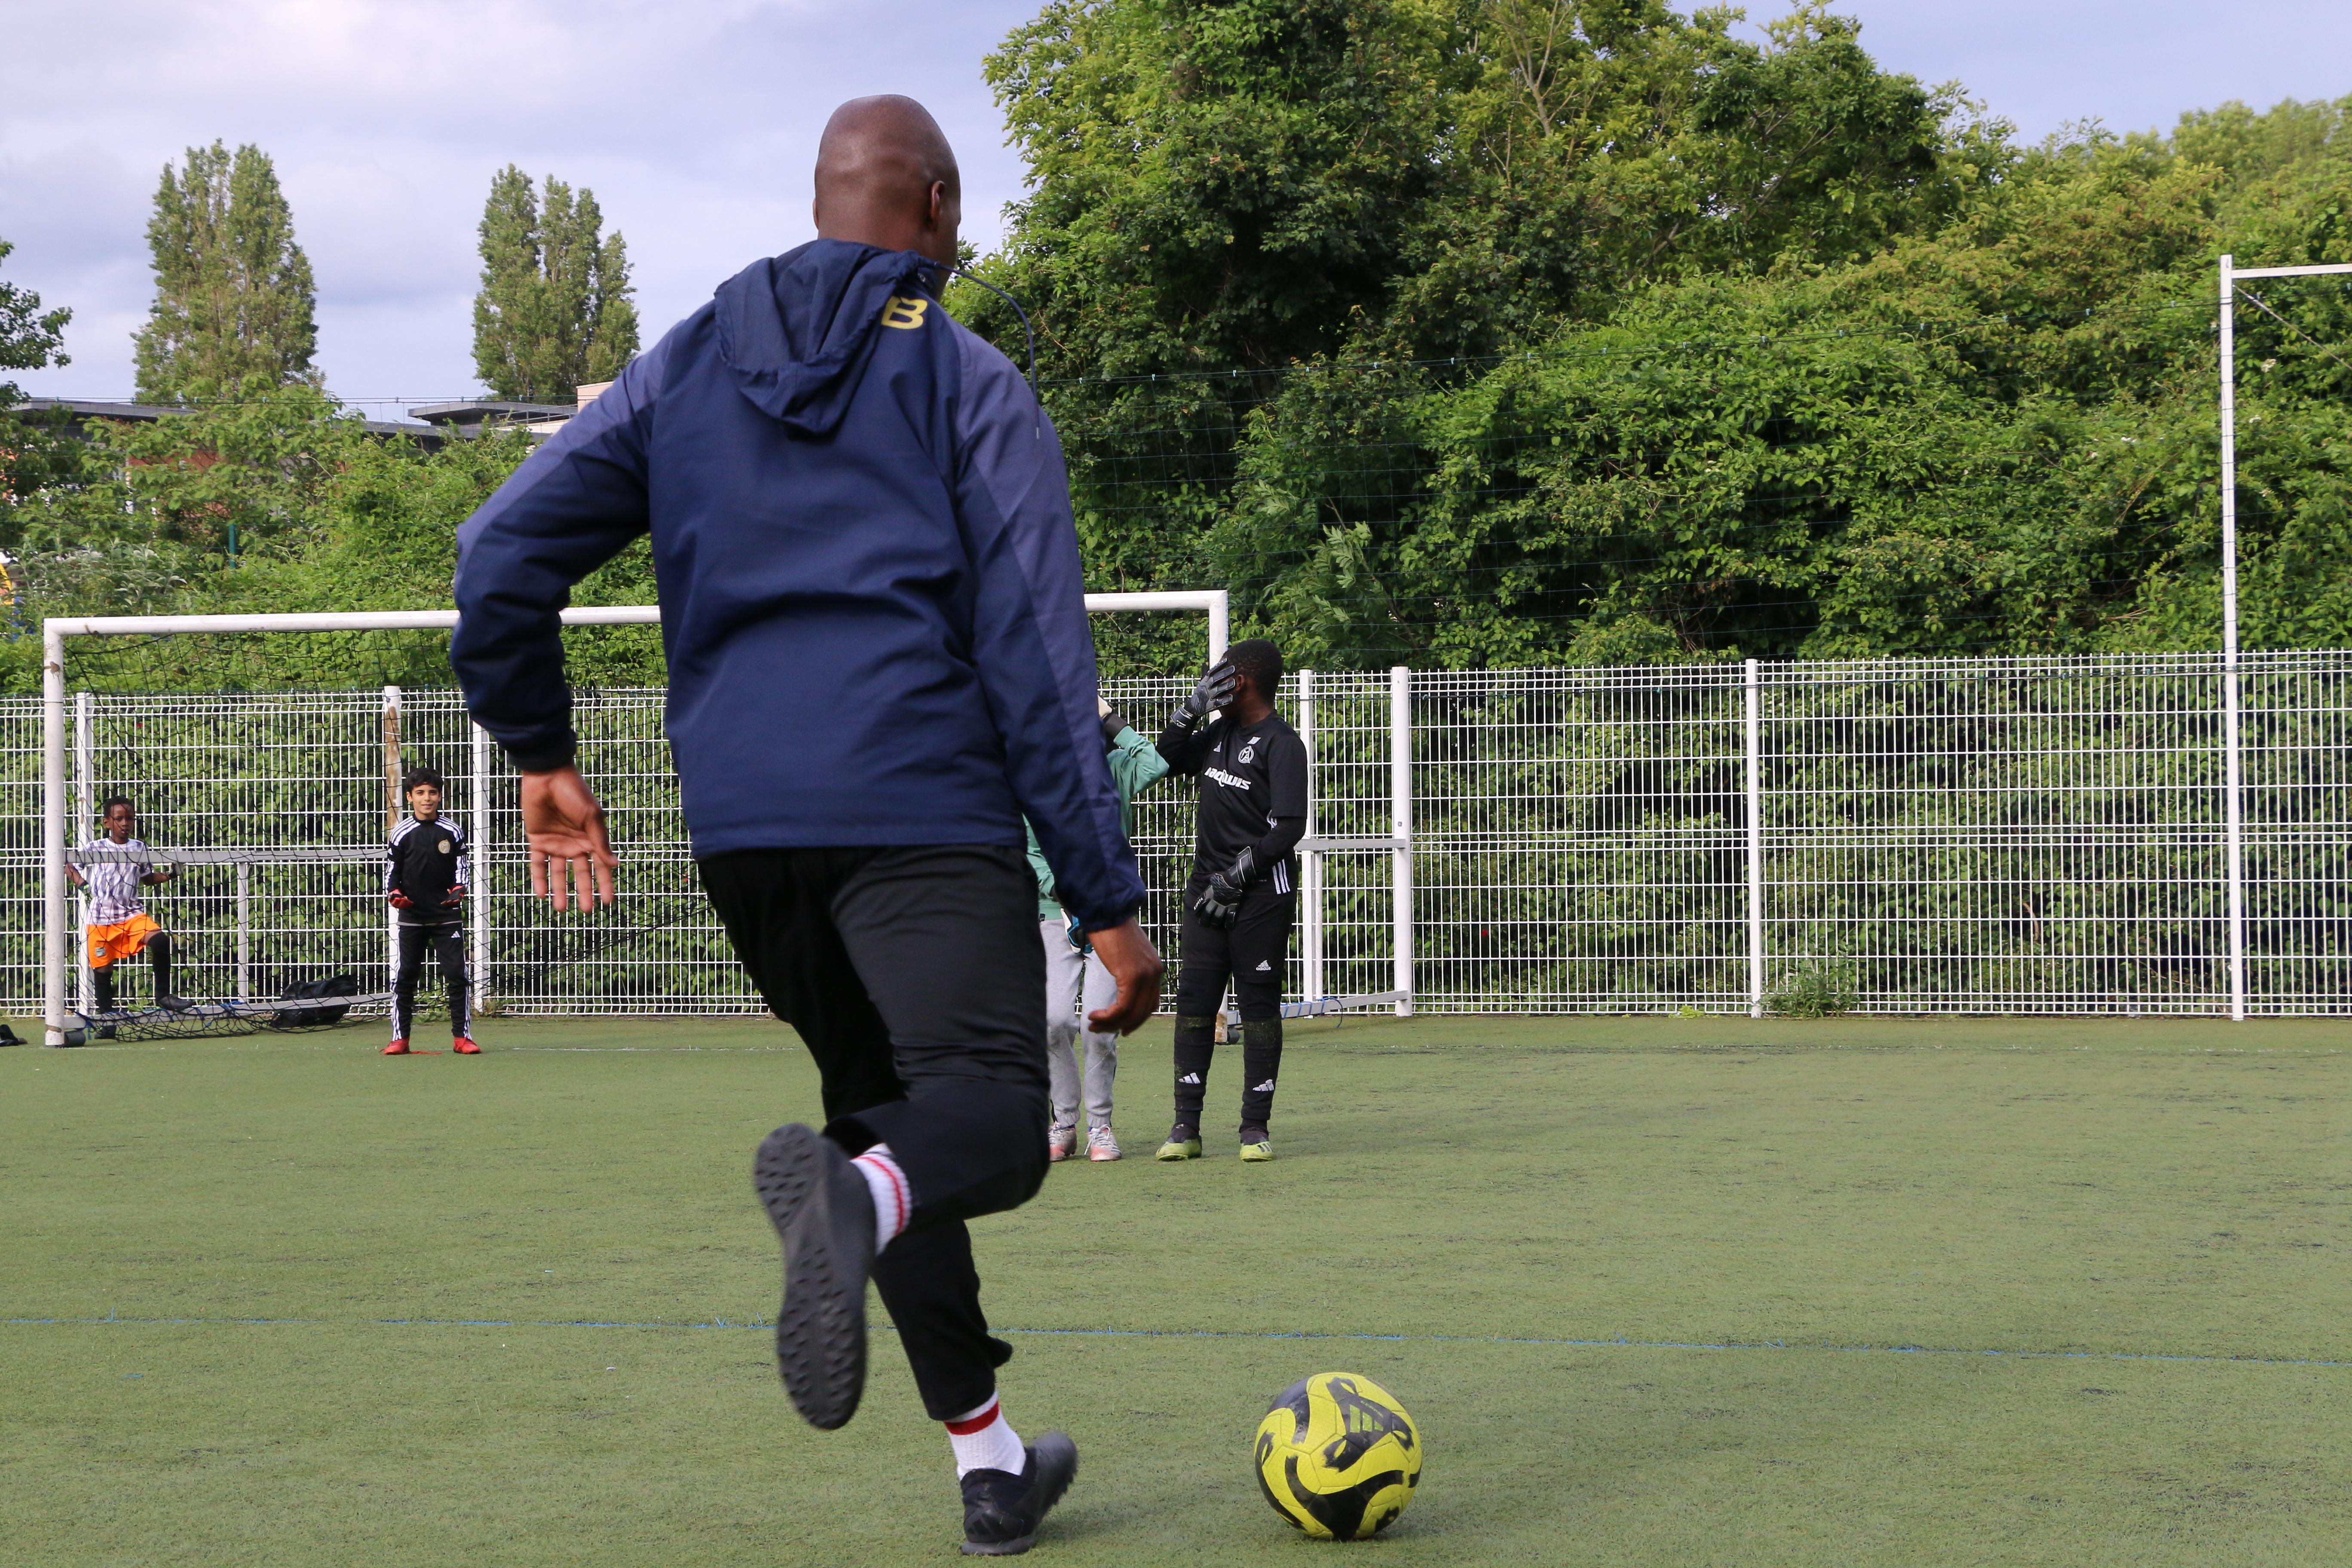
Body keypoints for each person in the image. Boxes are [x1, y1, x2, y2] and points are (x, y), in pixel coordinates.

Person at [448, 95, 1162, 1557]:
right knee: (988, 1128)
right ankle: (861, 1201)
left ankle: (991, 1459)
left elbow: (496, 547)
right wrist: (1104, 894)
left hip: (748, 832)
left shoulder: (685, 364)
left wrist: (538, 744)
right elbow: (1034, 649)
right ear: (941, 210)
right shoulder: (966, 378)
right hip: (916, 803)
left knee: (883, 1130)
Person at [1153, 639, 1307, 1163]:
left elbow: (1289, 828)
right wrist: (1186, 713)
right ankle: (1185, 1128)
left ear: (1239, 681)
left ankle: (1253, 1128)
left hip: (1261, 893)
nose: (1209, 680)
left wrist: (1237, 877)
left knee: (1259, 1005)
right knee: (1195, 1002)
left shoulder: (1283, 743)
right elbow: (1164, 763)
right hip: (1205, 891)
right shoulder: (1218, 731)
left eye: (1218, 674)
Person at [1029, 695, 1167, 1164]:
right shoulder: (1032, 781)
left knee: (1098, 1025)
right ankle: (1063, 1122)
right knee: (1051, 1021)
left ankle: (1100, 1126)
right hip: (1055, 914)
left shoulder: (1112, 770)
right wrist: (1067, 893)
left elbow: (1154, 762)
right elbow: (1024, 852)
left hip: (1111, 916)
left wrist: (1110, 719)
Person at [67, 796, 182, 1029]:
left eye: (129, 818)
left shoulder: (139, 847)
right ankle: (107, 1020)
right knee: (103, 970)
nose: (125, 823)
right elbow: (70, 866)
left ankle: (163, 996)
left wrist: (171, 875)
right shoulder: (95, 848)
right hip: (100, 920)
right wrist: (83, 886)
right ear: (107, 822)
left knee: (160, 941)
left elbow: (146, 878)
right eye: (119, 818)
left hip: (131, 915)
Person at [383, 765, 476, 1057]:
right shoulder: (401, 833)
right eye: (420, 793)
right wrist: (395, 894)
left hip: (446, 916)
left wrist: (460, 890)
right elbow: (391, 873)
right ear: (410, 797)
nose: (427, 798)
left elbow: (462, 869)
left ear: (440, 797)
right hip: (412, 917)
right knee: (406, 976)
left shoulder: (452, 831)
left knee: (457, 975)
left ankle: (463, 1038)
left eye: (432, 793)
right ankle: (401, 1039)